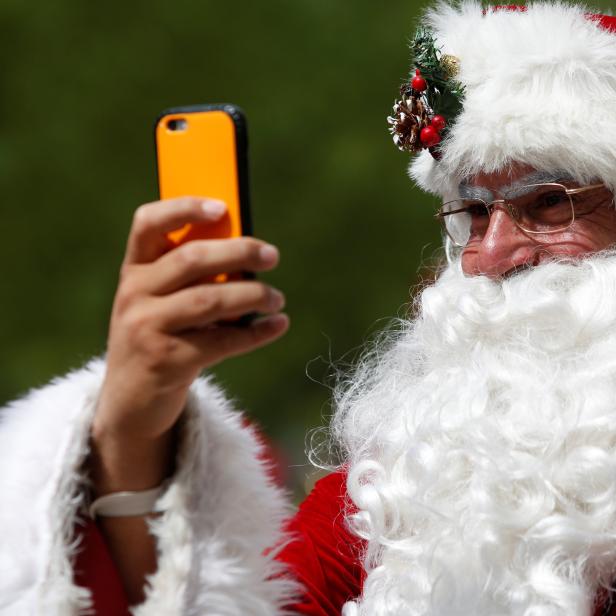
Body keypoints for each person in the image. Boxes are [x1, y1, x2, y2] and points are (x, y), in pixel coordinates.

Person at [3, 2, 616, 615]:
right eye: (476, 214)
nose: (492, 255)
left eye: (549, 203)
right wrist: (132, 426)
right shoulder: (408, 486)